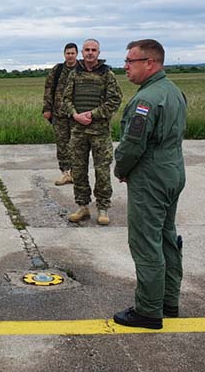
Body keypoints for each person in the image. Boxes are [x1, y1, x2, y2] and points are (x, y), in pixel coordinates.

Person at [112, 39, 187, 330]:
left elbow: (133, 144)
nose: (126, 66)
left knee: (146, 242)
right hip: (173, 172)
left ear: (150, 63)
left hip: (151, 177)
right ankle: (169, 301)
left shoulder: (146, 99)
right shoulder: (173, 92)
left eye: (131, 61)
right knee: (167, 237)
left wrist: (121, 168)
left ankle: (148, 310)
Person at [62, 39, 122, 225]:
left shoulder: (107, 74)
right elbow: (65, 99)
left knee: (102, 171)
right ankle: (83, 207)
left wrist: (93, 114)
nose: (90, 53)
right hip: (78, 131)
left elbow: (114, 100)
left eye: (93, 50)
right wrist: (75, 115)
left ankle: (103, 208)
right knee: (78, 171)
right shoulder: (74, 74)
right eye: (87, 50)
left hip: (99, 133)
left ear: (98, 52)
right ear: (82, 52)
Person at [43, 43, 79, 186]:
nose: (70, 56)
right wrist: (47, 109)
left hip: (77, 114)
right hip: (59, 114)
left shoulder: (82, 69)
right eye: (67, 53)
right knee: (62, 144)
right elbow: (48, 89)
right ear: (64, 54)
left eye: (72, 53)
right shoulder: (57, 70)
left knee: (77, 144)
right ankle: (65, 173)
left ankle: (76, 173)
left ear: (77, 54)